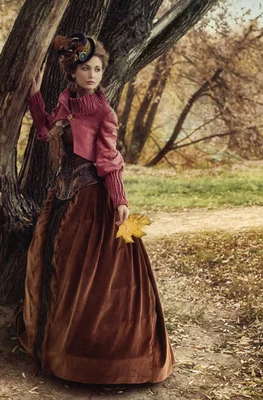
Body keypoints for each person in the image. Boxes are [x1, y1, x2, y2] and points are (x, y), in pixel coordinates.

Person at [14, 32, 175, 385]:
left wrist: (120, 202)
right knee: (55, 266)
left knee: (89, 277)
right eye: (86, 68)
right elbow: (44, 131)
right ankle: (55, 347)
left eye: (98, 69)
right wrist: (35, 94)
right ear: (72, 73)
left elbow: (108, 161)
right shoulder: (65, 101)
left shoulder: (104, 111)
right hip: (62, 195)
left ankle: (93, 359)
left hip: (92, 197)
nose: (92, 74)